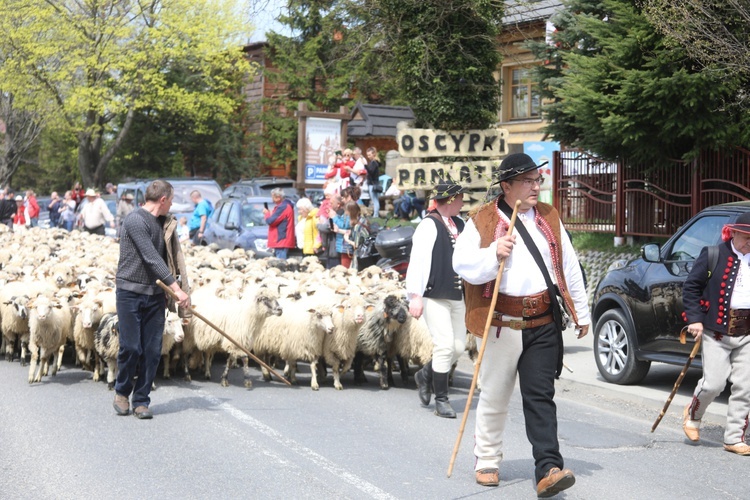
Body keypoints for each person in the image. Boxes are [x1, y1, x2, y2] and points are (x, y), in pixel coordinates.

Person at [452, 153, 590, 496]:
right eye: (528, 181)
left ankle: (548, 468)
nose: (536, 187)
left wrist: (581, 312)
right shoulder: (480, 220)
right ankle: (486, 459)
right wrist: (493, 253)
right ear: (507, 186)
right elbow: (462, 265)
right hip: (502, 323)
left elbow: (569, 266)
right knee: (495, 395)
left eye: (538, 180)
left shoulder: (549, 216)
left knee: (541, 396)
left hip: (542, 321)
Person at [113, 179, 191, 419]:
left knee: (152, 350)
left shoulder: (164, 223)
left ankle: (141, 400)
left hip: (155, 295)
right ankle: (122, 392)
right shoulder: (135, 220)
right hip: (130, 292)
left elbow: (171, 256)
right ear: (163, 199)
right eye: (172, 200)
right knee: (131, 346)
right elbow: (150, 258)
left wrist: (178, 287)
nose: (172, 206)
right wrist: (177, 289)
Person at [682, 212, 750, 456]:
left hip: (747, 333)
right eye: (747, 237)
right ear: (734, 233)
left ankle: (733, 438)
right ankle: (693, 414)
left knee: (745, 386)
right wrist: (696, 320)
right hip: (716, 331)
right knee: (714, 384)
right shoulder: (714, 254)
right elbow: (691, 288)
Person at [406, 180, 467, 418]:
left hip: (457, 294)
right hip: (434, 294)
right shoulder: (429, 225)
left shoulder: (461, 224)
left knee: (458, 347)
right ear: (451, 200)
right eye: (460, 198)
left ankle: (425, 374)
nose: (463, 202)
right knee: (444, 345)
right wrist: (415, 296)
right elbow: (418, 261)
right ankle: (442, 400)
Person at [263, 187, 296, 259]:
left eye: (273, 197)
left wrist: (267, 214)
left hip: (281, 240)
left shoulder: (283, 207)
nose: (272, 200)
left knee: (280, 264)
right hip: (281, 240)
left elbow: (271, 221)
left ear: (278, 197)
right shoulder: (284, 206)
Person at [317, 192, 342, 269]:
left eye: (331, 203)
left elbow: (328, 227)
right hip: (331, 249)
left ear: (338, 204)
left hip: (335, 250)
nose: (329, 205)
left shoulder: (338, 214)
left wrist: (318, 225)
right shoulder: (333, 213)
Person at [333, 201, 357, 268]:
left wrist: (347, 239)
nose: (345, 213)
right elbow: (348, 231)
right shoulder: (357, 220)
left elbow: (349, 232)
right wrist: (338, 230)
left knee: (345, 268)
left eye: (346, 211)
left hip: (348, 248)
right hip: (348, 248)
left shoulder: (353, 221)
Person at [365, 147, 381, 217]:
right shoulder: (374, 162)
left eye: (369, 155)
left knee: (374, 200)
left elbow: (371, 172)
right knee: (375, 199)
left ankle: (376, 215)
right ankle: (376, 214)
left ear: (373, 154)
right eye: (367, 155)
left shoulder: (374, 163)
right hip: (374, 183)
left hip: (373, 184)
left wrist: (365, 165)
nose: (368, 156)